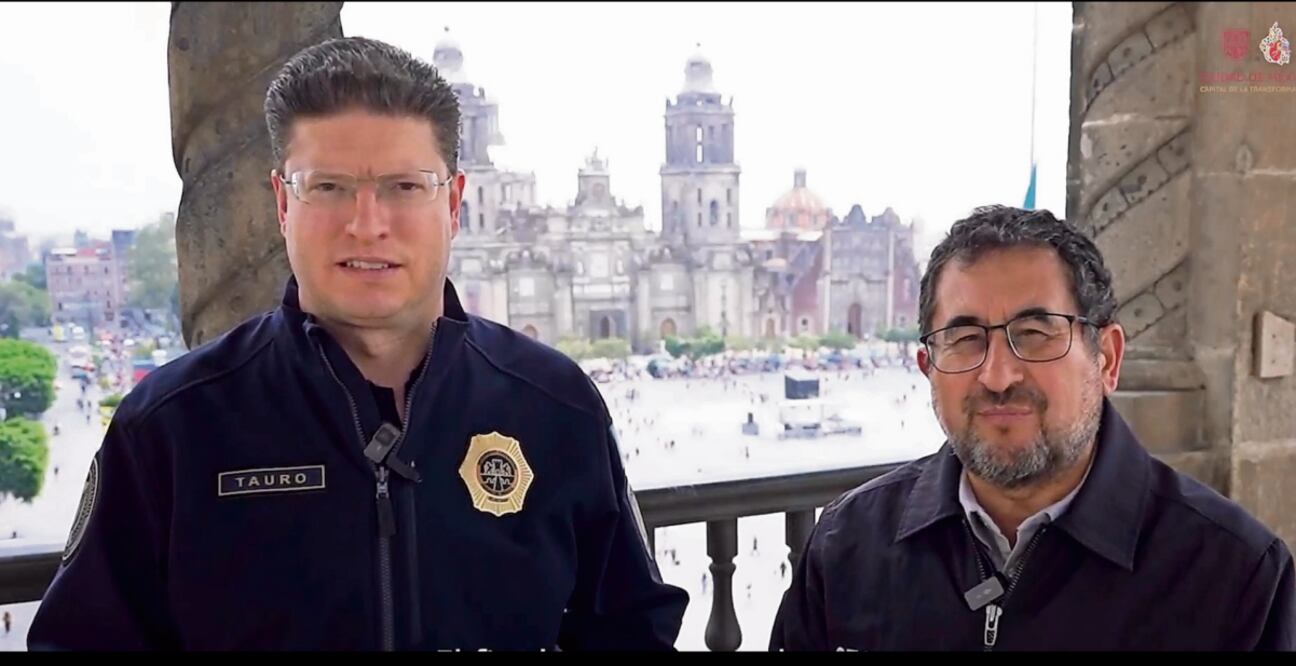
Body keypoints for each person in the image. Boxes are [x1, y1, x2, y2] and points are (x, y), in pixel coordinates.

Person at [29, 37, 686, 651]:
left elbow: (631, 630)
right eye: (329, 188)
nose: (366, 225)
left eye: (404, 187)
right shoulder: (171, 429)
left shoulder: (556, 406)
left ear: (454, 203)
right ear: (282, 205)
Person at [770, 205, 1295, 651]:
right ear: (928, 367)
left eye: (1035, 333)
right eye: (966, 339)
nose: (997, 376)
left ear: (1107, 359)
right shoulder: (848, 547)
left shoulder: (1234, 577)